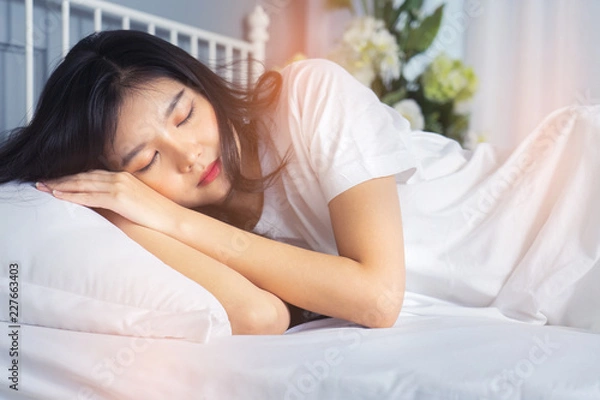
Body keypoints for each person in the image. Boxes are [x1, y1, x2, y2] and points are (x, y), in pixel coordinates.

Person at [2, 30, 599, 335]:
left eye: (183, 115)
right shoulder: (190, 228)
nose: (188, 155)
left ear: (203, 86)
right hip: (546, 287)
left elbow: (376, 298)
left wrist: (169, 214)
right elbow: (261, 316)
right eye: (145, 162)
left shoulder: (309, 95)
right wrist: (124, 213)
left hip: (568, 197)